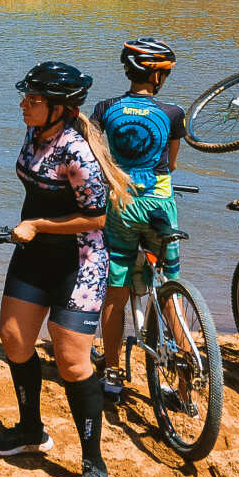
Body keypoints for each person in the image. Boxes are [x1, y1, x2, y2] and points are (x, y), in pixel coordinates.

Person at [0, 61, 137, 477]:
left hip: (80, 264)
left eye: (33, 100)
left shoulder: (77, 152)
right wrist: (31, 229)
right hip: (33, 256)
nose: (23, 105)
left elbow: (96, 217)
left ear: (59, 108)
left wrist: (37, 224)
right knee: (14, 340)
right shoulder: (37, 133)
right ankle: (31, 430)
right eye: (26, 97)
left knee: (73, 364)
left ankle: (94, 464)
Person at [91, 38, 187, 398]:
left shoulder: (104, 108)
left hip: (121, 206)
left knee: (115, 290)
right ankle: (184, 382)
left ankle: (113, 372)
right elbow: (172, 164)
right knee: (169, 291)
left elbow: (99, 160)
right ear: (158, 76)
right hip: (160, 205)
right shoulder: (173, 113)